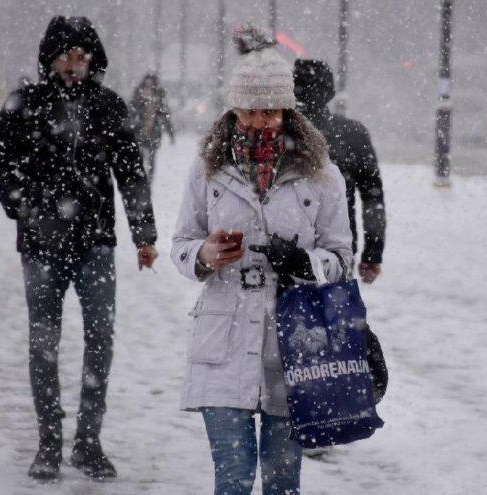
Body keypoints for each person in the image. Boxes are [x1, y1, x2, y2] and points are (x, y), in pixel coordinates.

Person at [171, 25, 352, 495]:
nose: (259, 121)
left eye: (270, 110)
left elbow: (340, 259)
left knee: (281, 481)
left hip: (293, 347)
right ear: (233, 110)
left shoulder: (322, 175)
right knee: (231, 480)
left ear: (288, 112)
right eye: (249, 109)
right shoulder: (208, 169)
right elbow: (182, 245)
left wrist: (304, 263)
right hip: (223, 341)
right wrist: (205, 255)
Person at [0, 16, 158, 480]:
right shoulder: (26, 104)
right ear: (49, 58)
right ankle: (47, 442)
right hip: (40, 246)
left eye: (81, 55)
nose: (73, 64)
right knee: (44, 345)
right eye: (64, 55)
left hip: (95, 244)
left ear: (93, 60)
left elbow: (132, 176)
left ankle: (88, 441)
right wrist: (23, 207)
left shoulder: (108, 107)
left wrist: (145, 236)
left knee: (100, 340)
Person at [292, 59, 386, 284]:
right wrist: (372, 253)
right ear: (330, 93)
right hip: (337, 250)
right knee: (330, 314)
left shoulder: (277, 132)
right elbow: (373, 198)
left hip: (283, 250)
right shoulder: (353, 134)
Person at [128, 73, 175, 180]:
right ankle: (140, 178)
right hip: (140, 131)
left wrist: (171, 133)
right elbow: (131, 111)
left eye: (151, 84)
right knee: (139, 156)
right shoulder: (138, 95)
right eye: (147, 85)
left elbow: (165, 116)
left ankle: (149, 180)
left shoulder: (159, 97)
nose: (148, 88)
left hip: (154, 132)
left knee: (151, 158)